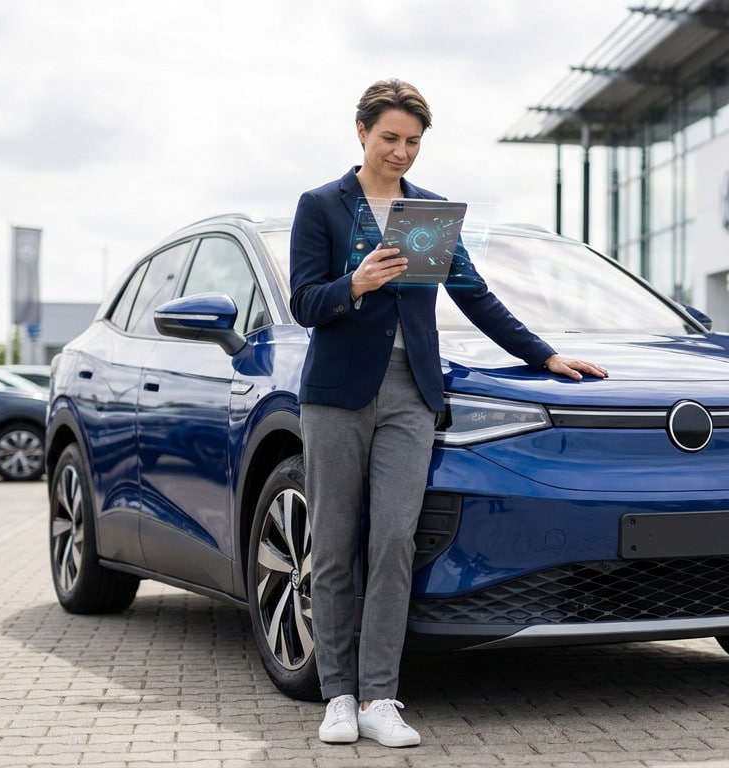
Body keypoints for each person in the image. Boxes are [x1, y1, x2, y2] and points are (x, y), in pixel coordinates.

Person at [288, 78, 608, 747]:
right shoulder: (322, 206)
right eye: (389, 139)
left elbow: (474, 294)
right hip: (337, 395)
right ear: (361, 134)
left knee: (395, 540)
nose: (401, 153)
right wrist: (356, 283)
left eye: (412, 142)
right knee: (336, 543)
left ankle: (380, 696)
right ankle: (338, 694)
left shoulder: (426, 212)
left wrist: (545, 356)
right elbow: (305, 304)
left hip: (412, 394)